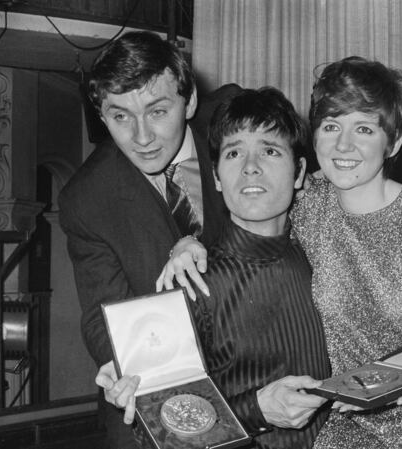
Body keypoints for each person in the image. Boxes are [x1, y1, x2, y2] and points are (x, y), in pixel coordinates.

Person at [161, 56, 402, 448]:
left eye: (364, 128)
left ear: (394, 142)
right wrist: (186, 242)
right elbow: (249, 204)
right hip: (350, 416)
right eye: (331, 126)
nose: (343, 145)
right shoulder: (309, 205)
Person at [97, 87, 332, 449]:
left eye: (270, 151)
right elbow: (166, 431)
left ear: (300, 171)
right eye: (234, 152)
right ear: (217, 176)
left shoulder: (324, 256)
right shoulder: (192, 282)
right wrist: (256, 410)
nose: (251, 167)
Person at [58, 31, 240, 448]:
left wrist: (206, 249)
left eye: (158, 111)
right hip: (160, 388)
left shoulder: (236, 124)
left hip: (262, 369)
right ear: (102, 116)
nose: (141, 137)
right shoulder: (86, 198)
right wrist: (122, 366)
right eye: (120, 116)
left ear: (189, 101)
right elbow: (101, 316)